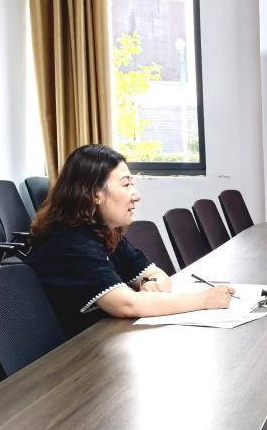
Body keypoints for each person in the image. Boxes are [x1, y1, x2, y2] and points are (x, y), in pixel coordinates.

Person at [25, 144, 232, 336]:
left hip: (99, 337)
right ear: (95, 194)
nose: (136, 195)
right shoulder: (72, 242)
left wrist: (150, 283)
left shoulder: (104, 232)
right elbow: (127, 305)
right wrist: (203, 300)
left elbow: (159, 275)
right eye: (126, 185)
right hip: (70, 354)